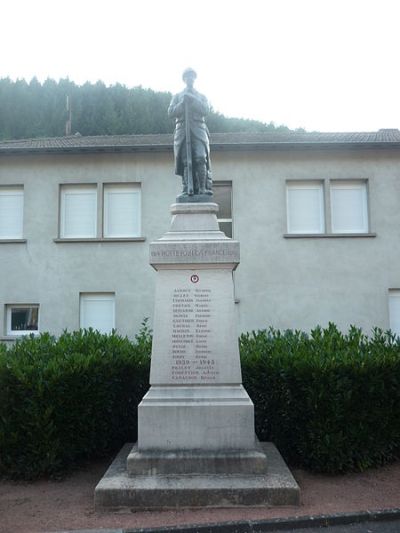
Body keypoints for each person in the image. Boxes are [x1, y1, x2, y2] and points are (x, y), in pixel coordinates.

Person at [168, 68, 212, 199]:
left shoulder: (201, 96)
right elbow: (170, 112)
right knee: (186, 161)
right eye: (187, 76)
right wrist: (182, 103)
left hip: (198, 129)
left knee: (200, 157)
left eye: (192, 76)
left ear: (195, 79)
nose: (190, 79)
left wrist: (192, 100)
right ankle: (187, 187)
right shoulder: (177, 97)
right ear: (184, 79)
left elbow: (206, 110)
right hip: (182, 130)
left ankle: (203, 188)